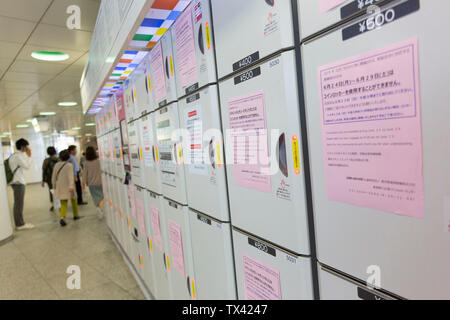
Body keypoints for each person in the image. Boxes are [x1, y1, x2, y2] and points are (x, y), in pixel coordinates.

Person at [9, 138, 34, 230]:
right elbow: (27, 166)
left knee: (18, 203)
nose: (28, 148)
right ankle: (20, 224)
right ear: (23, 147)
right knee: (19, 204)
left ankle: (20, 223)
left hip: (16, 181)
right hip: (18, 182)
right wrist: (29, 156)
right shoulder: (18, 156)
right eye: (27, 146)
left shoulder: (14, 155)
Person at [52, 150, 79, 227]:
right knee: (73, 199)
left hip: (60, 186)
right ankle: (75, 215)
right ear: (68, 157)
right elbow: (70, 176)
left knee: (63, 202)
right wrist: (71, 186)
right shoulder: (69, 165)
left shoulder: (56, 165)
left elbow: (53, 176)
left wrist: (54, 185)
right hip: (68, 185)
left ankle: (62, 217)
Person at [82, 146, 105, 219]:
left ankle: (98, 208)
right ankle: (100, 207)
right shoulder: (98, 161)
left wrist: (83, 183)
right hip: (99, 181)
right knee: (102, 196)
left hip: (91, 183)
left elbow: (84, 174)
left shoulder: (86, 163)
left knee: (95, 197)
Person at [41, 146, 59, 211]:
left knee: (52, 191)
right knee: (58, 190)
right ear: (54, 151)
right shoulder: (58, 159)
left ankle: (52, 205)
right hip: (58, 178)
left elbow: (44, 170)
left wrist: (43, 180)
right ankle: (60, 204)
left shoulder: (46, 160)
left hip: (49, 178)